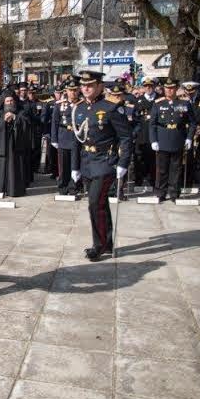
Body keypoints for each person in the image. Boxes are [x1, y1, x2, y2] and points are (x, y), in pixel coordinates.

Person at [70, 71, 133, 261]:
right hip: (87, 161)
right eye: (83, 85)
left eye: (90, 85)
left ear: (99, 86)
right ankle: (107, 242)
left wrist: (123, 163)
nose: (85, 88)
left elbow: (125, 137)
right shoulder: (78, 109)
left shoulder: (111, 108)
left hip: (105, 162)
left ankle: (98, 245)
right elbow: (77, 140)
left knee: (94, 203)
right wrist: (75, 166)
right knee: (100, 204)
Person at [148, 78, 196, 202]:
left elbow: (192, 123)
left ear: (176, 89)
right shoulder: (158, 103)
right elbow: (152, 124)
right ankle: (161, 192)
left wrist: (189, 138)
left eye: (172, 88)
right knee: (162, 169)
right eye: (167, 88)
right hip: (162, 137)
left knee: (176, 168)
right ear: (164, 89)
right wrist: (153, 140)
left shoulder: (184, 103)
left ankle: (174, 192)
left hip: (177, 137)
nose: (169, 90)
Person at [0, 91, 30, 197]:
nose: (10, 103)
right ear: (4, 102)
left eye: (11, 100)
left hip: (16, 147)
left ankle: (14, 190)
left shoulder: (21, 112)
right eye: (7, 101)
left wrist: (15, 118)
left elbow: (26, 125)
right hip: (2, 146)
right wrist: (4, 120)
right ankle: (1, 189)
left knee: (14, 168)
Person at [51, 78, 82, 196]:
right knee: (63, 165)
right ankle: (63, 187)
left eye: (75, 90)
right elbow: (55, 122)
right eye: (70, 90)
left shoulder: (82, 104)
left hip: (77, 138)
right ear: (66, 91)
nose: (73, 93)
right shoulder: (60, 105)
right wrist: (54, 139)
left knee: (76, 164)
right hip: (64, 137)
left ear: (78, 90)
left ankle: (74, 187)